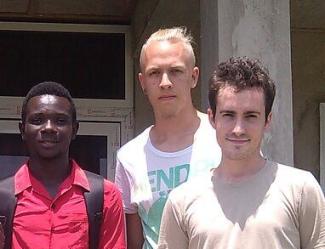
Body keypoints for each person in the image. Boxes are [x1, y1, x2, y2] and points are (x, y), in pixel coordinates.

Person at [158, 57, 325, 249]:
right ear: (212, 118)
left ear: (267, 120)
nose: (238, 128)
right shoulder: (182, 200)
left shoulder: (301, 190)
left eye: (250, 116)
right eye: (228, 115)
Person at [115, 27, 221, 249]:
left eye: (175, 71)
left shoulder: (225, 140)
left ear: (193, 77)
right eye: (155, 73)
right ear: (143, 82)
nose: (165, 82)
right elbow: (134, 242)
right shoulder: (129, 157)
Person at [1, 82, 126, 249]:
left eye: (60, 121)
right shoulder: (2, 198)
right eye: (37, 120)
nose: (49, 128)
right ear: (22, 130)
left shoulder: (105, 196)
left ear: (74, 130)